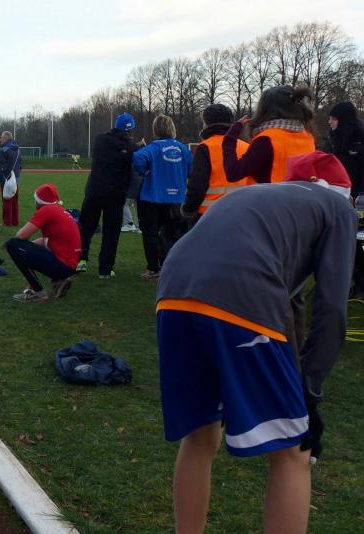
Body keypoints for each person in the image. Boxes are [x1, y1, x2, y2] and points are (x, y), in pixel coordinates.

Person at [156, 150, 355, 533]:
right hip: (240, 290)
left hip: (173, 291)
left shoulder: (261, 198)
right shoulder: (337, 208)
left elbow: (279, 310)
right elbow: (331, 309)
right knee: (295, 449)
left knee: (200, 435)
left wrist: (296, 377)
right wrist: (310, 393)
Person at [76, 112, 138, 277]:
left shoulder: (100, 140)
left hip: (94, 192)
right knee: (111, 233)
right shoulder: (131, 148)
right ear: (129, 130)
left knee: (85, 228)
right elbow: (130, 153)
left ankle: (80, 260)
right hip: (115, 196)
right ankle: (105, 269)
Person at [132, 114, 192, 280]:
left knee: (150, 233)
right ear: (172, 129)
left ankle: (153, 268)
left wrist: (144, 171)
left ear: (155, 130)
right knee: (172, 234)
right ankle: (170, 266)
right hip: (176, 199)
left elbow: (138, 158)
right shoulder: (183, 149)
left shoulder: (154, 147)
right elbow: (192, 168)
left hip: (152, 197)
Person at [223, 85, 315, 185]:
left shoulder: (266, 140)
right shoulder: (308, 137)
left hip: (268, 195)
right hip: (301, 194)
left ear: (264, 110)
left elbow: (233, 173)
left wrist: (229, 138)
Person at [5, 183, 80, 302]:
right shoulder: (59, 210)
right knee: (23, 249)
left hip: (63, 265)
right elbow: (46, 241)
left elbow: (20, 236)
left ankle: (38, 292)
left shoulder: (47, 210)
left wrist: (22, 251)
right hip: (70, 266)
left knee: (12, 244)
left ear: (39, 201)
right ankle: (60, 280)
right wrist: (27, 251)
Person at [182, 104, 251, 226]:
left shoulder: (205, 147)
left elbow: (197, 187)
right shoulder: (247, 147)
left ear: (206, 123)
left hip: (209, 216)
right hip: (241, 214)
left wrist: (188, 210)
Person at [325, 101, 364, 299]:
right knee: (345, 242)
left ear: (343, 120)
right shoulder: (334, 141)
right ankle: (350, 282)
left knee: (357, 242)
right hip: (339, 197)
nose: (330, 122)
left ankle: (361, 285)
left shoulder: (359, 141)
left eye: (333, 118)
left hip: (358, 199)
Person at [0, 131, 22, 226]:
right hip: (16, 178)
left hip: (6, 178)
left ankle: (7, 222)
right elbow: (20, 164)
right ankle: (15, 221)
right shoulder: (18, 149)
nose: (0, 139)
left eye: (1, 138)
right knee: (15, 200)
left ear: (6, 138)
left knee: (6, 200)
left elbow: (2, 166)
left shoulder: (4, 150)